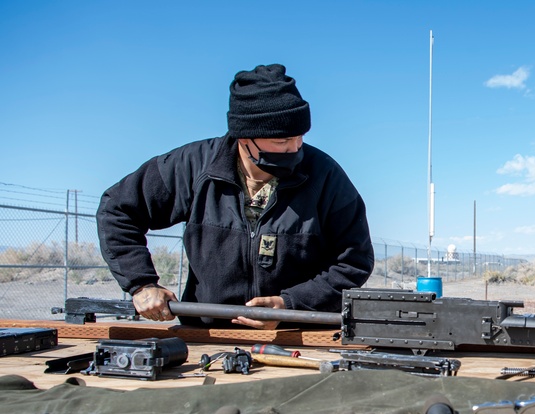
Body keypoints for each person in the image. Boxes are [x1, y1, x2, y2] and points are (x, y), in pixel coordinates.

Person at [97, 64, 375, 329]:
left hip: (297, 338)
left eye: (299, 137)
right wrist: (142, 283)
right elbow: (117, 210)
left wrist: (290, 304)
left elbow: (354, 261)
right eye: (282, 141)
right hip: (207, 336)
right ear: (244, 138)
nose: (295, 148)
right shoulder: (193, 167)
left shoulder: (325, 176)